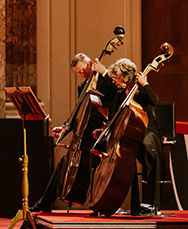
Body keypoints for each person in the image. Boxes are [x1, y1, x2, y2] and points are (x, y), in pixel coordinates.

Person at [30, 53, 111, 212]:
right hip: (84, 138)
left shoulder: (104, 81)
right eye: (78, 73)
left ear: (89, 63)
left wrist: (103, 73)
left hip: (100, 136)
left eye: (82, 70)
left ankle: (100, 205)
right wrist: (65, 127)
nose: (82, 75)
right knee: (63, 164)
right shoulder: (82, 87)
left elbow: (113, 97)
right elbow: (78, 114)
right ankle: (46, 202)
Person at [99, 58, 163, 215]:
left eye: (116, 78)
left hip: (147, 129)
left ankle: (154, 200)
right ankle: (133, 205)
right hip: (129, 132)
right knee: (127, 152)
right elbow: (114, 117)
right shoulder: (121, 94)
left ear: (125, 77)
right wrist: (104, 130)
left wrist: (145, 84)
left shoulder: (141, 90)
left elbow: (154, 101)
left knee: (145, 146)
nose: (113, 81)